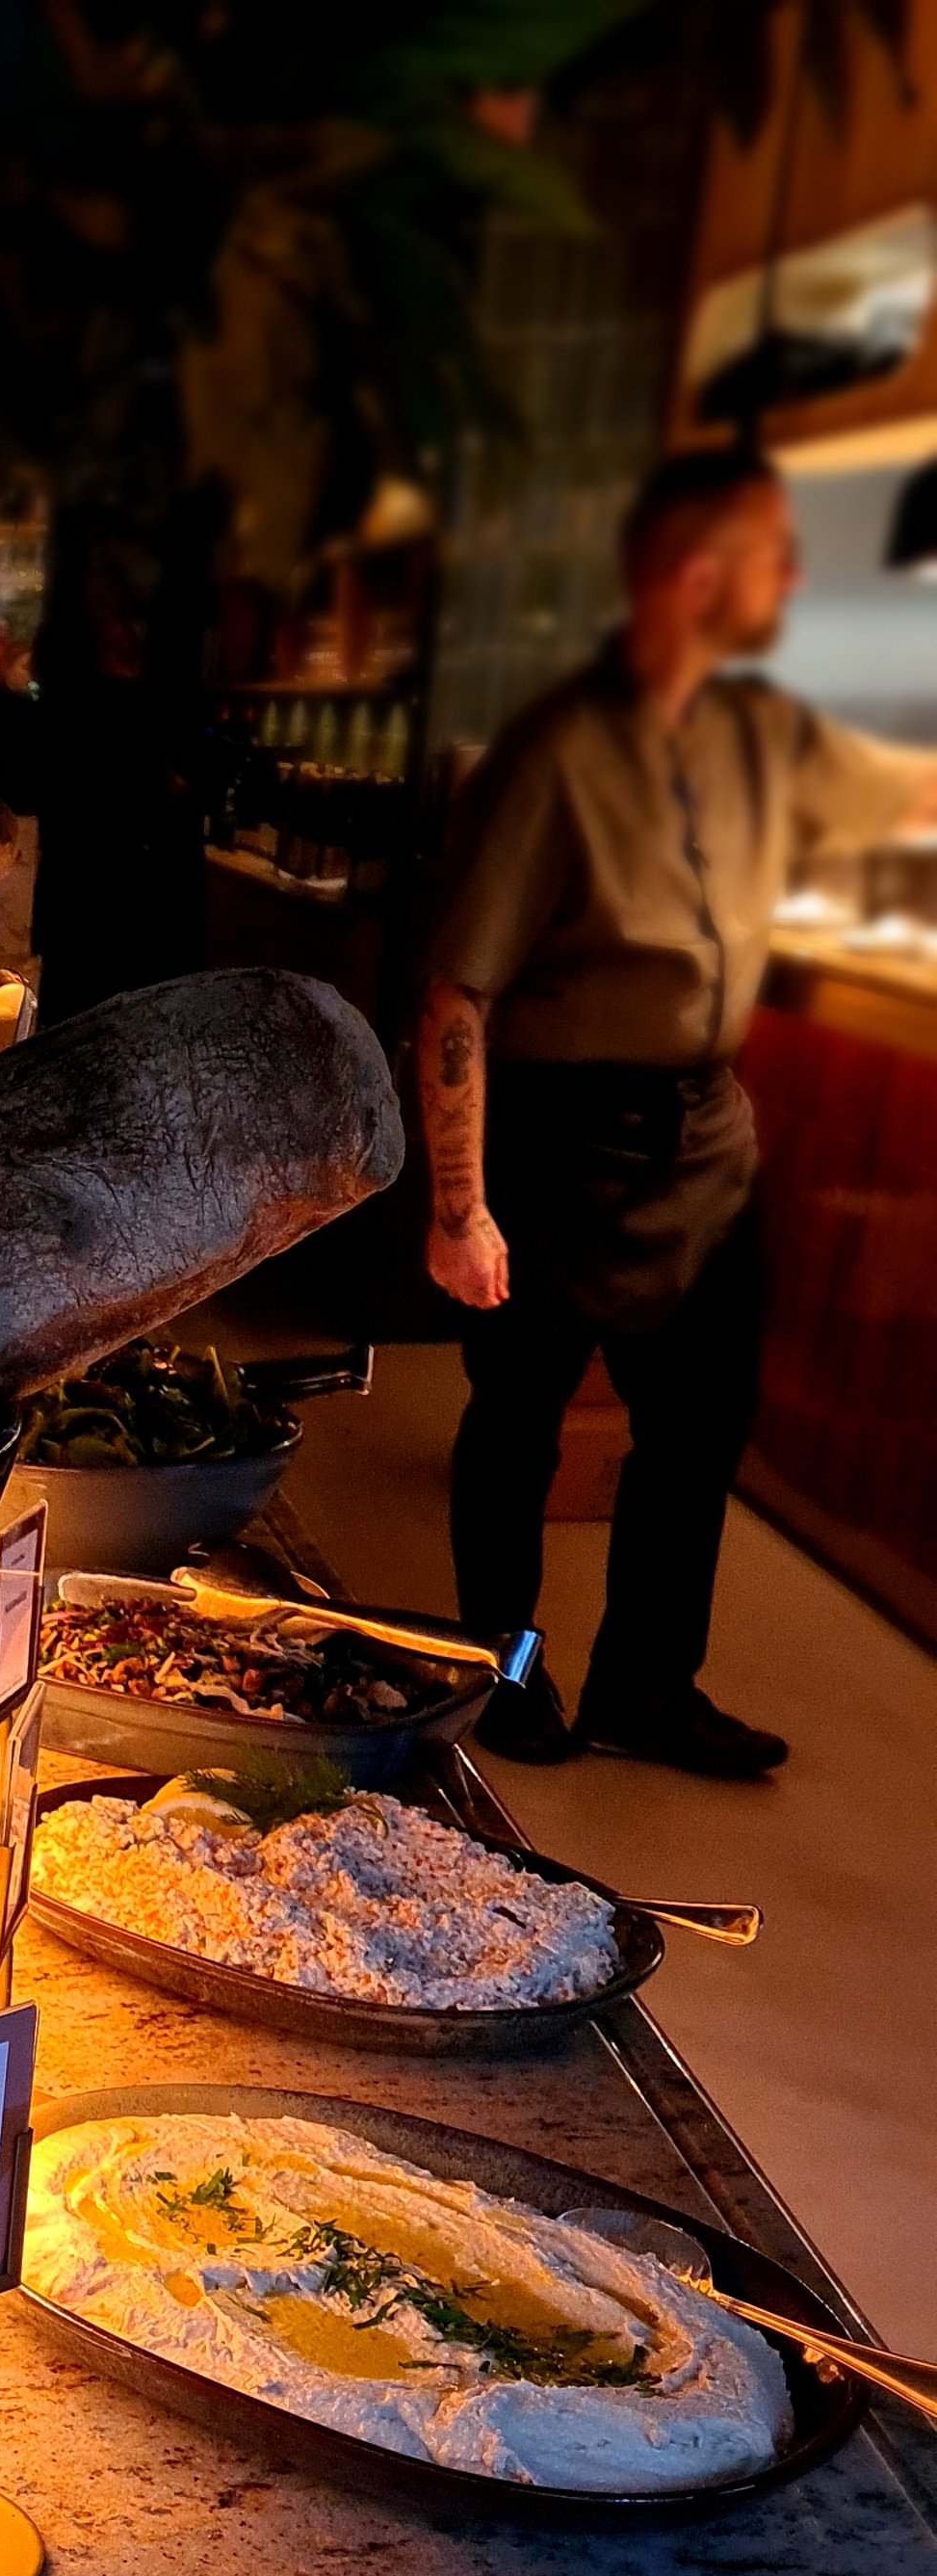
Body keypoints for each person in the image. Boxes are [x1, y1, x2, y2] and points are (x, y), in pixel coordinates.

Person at [415, 445, 937, 1774]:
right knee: (519, 1426)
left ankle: (647, 1686)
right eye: (774, 557)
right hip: (558, 1136)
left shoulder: (757, 739)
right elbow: (458, 996)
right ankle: (503, 1672)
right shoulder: (556, 754)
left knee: (698, 1428)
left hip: (708, 1134)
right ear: (698, 577)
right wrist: (461, 1208)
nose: (794, 583)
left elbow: (899, 799)